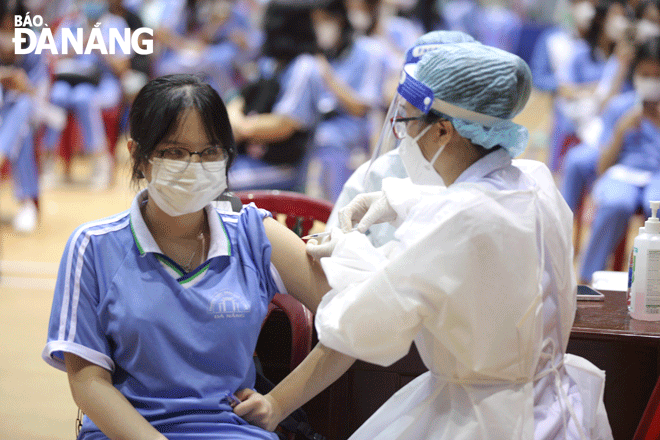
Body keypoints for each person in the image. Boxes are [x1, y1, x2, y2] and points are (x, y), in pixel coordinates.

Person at [233, 42, 613, 439]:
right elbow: (488, 216)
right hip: (556, 405)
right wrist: (397, 199)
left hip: (484, 420)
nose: (402, 136)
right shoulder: (537, 181)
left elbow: (356, 325)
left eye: (408, 123)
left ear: (443, 130)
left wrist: (348, 252)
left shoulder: (451, 221)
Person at [42, 74, 329, 440]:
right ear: (138, 156)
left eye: (209, 152)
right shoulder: (93, 246)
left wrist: (279, 404)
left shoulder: (255, 234)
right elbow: (87, 380)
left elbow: (354, 320)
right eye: (175, 151)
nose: (194, 165)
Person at [325, 29, 476, 246]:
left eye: (412, 118)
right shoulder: (380, 173)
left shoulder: (488, 192)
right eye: (403, 113)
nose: (404, 133)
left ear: (444, 129)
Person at [575, 36, 660, 284]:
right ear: (635, 74)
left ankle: (652, 284)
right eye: (646, 74)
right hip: (622, 173)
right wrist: (621, 131)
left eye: (658, 75)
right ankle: (587, 277)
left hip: (657, 176)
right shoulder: (619, 107)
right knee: (616, 203)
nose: (652, 82)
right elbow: (602, 167)